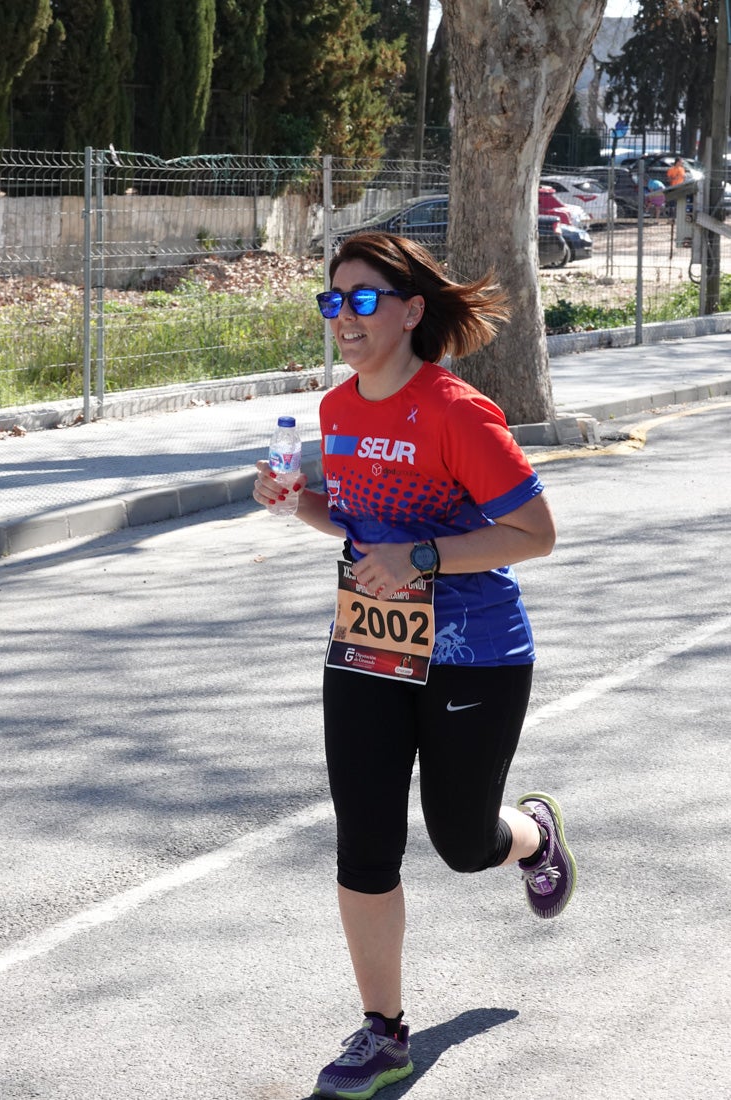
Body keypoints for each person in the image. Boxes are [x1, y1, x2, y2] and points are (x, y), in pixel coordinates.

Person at [253, 231, 577, 1100]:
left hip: (472, 653)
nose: (344, 318)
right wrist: (300, 504)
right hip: (366, 646)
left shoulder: (456, 411)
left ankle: (533, 836)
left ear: (409, 311)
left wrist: (424, 558)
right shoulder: (337, 409)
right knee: (364, 841)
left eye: (362, 300)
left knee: (461, 842)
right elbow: (361, 527)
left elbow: (532, 536)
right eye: (332, 301)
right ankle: (382, 1032)